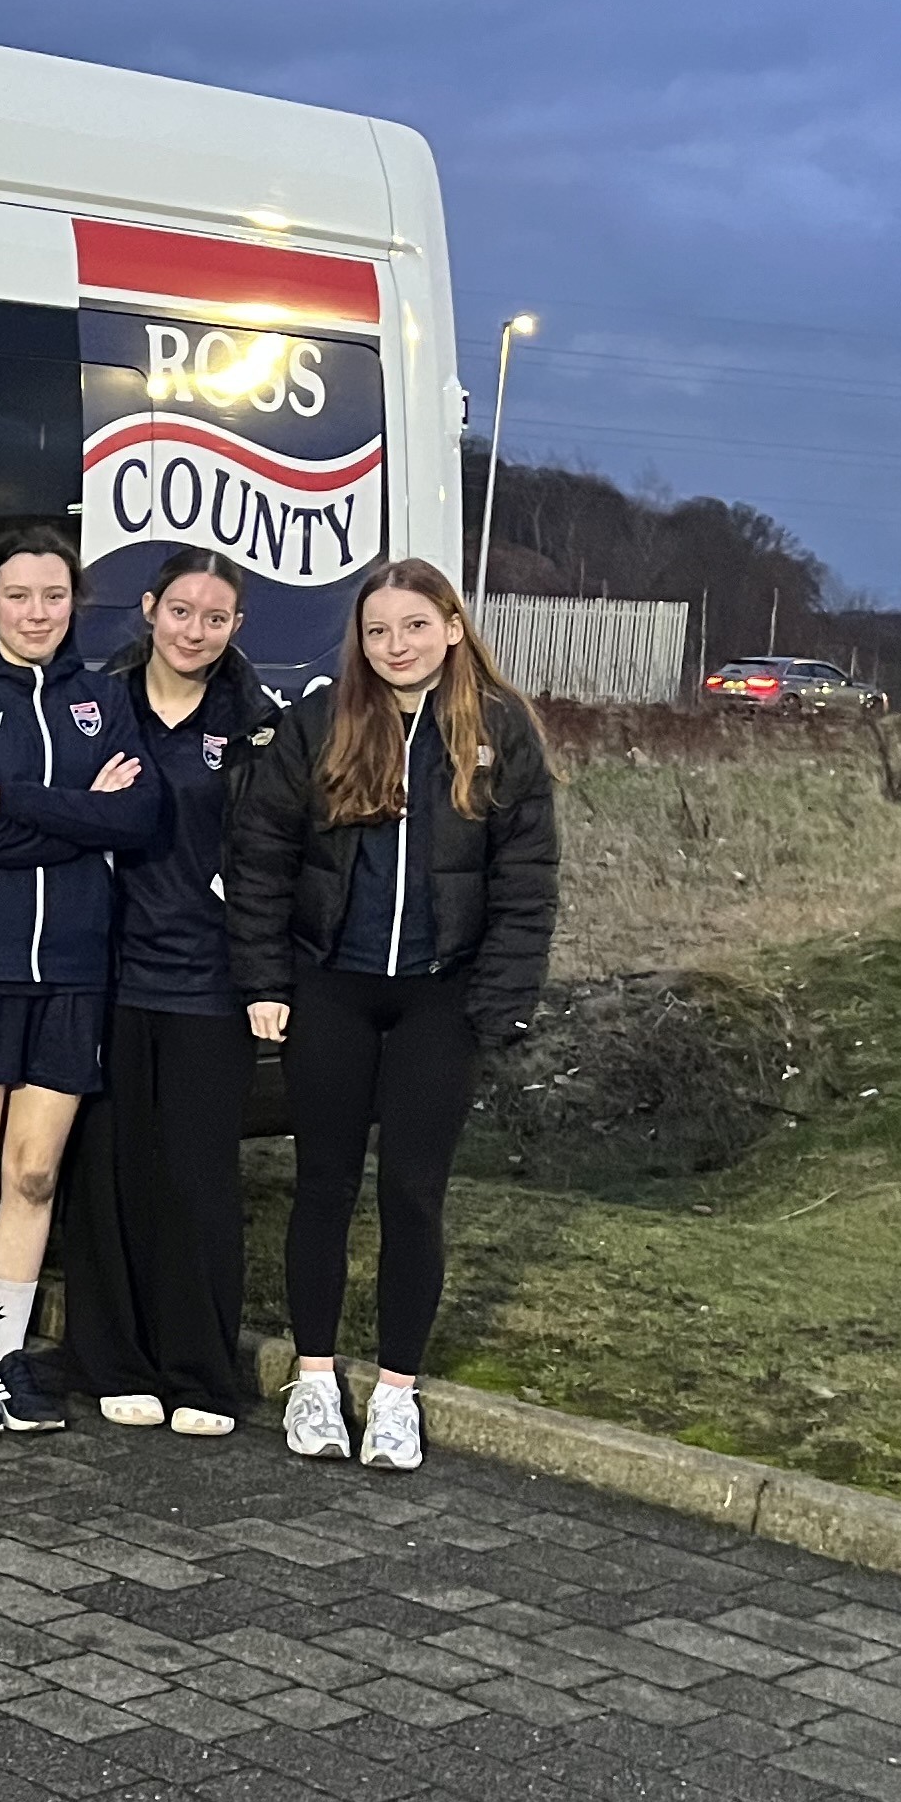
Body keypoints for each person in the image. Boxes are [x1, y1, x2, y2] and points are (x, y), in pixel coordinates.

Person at [229, 556, 558, 1471]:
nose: (396, 645)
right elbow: (262, 859)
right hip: (330, 987)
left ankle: (396, 1394)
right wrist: (265, 981)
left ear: (452, 628)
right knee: (323, 1187)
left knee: (413, 1194)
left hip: (439, 999)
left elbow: (527, 881)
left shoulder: (500, 732)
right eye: (377, 631)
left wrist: (498, 1004)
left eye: (414, 626)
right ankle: (316, 1382)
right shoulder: (319, 723)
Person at [0, 529, 161, 1436]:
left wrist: (15, 800)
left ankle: (9, 1353)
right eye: (17, 595)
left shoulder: (102, 697)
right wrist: (82, 819)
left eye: (54, 596)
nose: (36, 612)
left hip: (73, 972)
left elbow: (136, 819)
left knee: (33, 1173)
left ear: (74, 603)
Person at [61, 548, 283, 1437]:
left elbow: (272, 860)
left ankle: (198, 1372)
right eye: (181, 611)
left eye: (215, 617)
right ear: (151, 608)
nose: (195, 630)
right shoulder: (96, 706)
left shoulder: (257, 725)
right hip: (107, 974)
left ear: (237, 627)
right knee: (109, 1177)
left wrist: (266, 975)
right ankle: (112, 1361)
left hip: (207, 983)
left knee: (198, 1181)